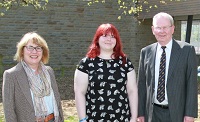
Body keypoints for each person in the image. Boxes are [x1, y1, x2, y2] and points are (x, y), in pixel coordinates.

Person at [137, 12, 198, 122]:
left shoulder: (187, 50)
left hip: (177, 113)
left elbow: (191, 84)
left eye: (165, 27)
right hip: (152, 113)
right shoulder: (145, 52)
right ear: (152, 30)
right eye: (158, 27)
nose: (161, 31)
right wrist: (140, 112)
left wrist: (190, 114)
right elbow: (141, 84)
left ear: (173, 29)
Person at [74, 23, 138, 122]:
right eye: (105, 36)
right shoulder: (86, 64)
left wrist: (133, 118)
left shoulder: (125, 63)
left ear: (117, 41)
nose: (109, 39)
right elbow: (79, 92)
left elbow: (132, 91)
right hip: (93, 118)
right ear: (97, 39)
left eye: (113, 37)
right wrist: (82, 119)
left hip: (121, 118)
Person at [2, 32, 64, 122]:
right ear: (22, 51)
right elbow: (9, 111)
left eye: (38, 48)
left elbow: (57, 103)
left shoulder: (49, 72)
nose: (34, 51)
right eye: (30, 47)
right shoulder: (11, 75)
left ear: (43, 52)